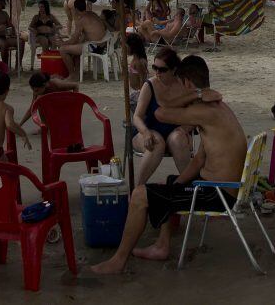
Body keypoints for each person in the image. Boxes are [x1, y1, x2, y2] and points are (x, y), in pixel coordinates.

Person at [91, 55, 247, 274]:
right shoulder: (219, 110)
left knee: (139, 195)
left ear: (188, 84)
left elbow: (160, 112)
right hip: (223, 188)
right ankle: (162, 245)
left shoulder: (203, 111)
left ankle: (118, 261)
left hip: (215, 194)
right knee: (169, 183)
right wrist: (176, 185)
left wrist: (195, 94)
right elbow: (200, 158)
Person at [131, 47, 191, 186]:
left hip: (174, 132)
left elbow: (194, 115)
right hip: (147, 131)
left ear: (174, 70)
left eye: (162, 69)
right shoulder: (149, 85)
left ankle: (189, 189)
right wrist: (145, 132)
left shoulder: (184, 86)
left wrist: (185, 128)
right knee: (156, 143)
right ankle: (138, 189)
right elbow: (137, 117)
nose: (157, 73)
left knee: (178, 138)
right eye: (154, 67)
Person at [58, 0, 108, 78]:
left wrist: (62, 43)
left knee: (63, 50)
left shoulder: (81, 20)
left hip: (95, 47)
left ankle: (72, 75)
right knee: (76, 46)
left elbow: (74, 39)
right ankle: (77, 72)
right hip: (103, 45)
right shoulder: (92, 14)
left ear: (76, 9)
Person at [126, 32, 149, 109]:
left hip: (139, 93)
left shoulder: (139, 62)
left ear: (132, 47)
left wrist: (141, 97)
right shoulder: (134, 59)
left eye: (127, 47)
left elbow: (142, 80)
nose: (126, 49)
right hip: (134, 91)